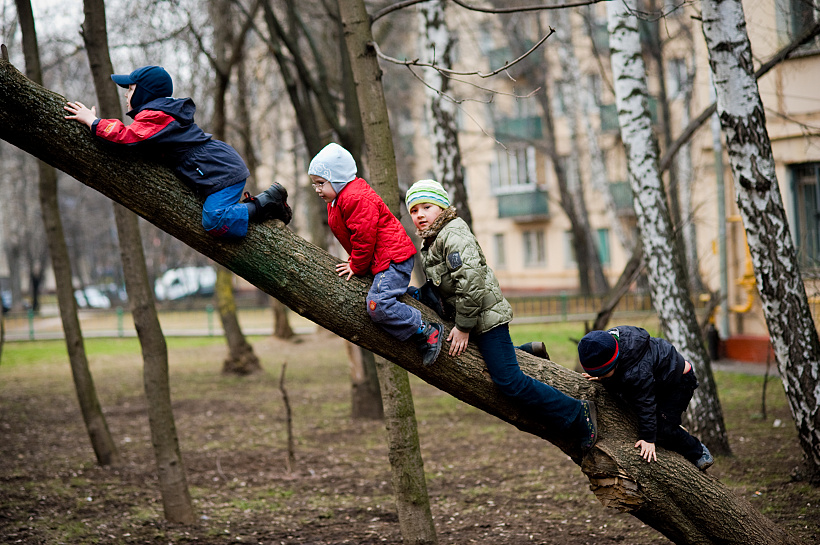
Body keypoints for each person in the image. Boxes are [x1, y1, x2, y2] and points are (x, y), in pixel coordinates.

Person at [405, 179, 598, 451]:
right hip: (473, 315)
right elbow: (446, 284)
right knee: (496, 363)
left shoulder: (453, 234)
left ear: (443, 207)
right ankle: (525, 351)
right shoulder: (435, 238)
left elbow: (471, 284)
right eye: (414, 210)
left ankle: (578, 413)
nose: (420, 214)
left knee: (510, 382)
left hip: (484, 319)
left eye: (427, 207)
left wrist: (463, 327)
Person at [64, 65, 291, 238]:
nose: (125, 95)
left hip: (221, 171)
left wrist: (94, 122)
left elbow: (127, 138)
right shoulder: (157, 115)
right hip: (215, 168)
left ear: (144, 94)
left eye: (130, 89)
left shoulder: (157, 116)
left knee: (214, 220)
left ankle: (265, 204)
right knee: (215, 216)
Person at [308, 143, 443, 366]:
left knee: (378, 305)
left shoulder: (355, 198)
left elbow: (363, 238)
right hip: (382, 259)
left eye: (321, 183)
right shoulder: (337, 200)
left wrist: (356, 266)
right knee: (384, 295)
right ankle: (422, 296)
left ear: (338, 179)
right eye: (315, 184)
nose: (317, 189)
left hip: (392, 260)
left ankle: (426, 330)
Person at [578, 326, 715, 470]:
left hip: (678, 383)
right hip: (657, 379)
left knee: (663, 429)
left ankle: (698, 452)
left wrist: (648, 439)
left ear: (614, 363)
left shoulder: (637, 371)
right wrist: (603, 376)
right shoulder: (609, 342)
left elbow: (646, 404)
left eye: (603, 373)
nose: (600, 377)